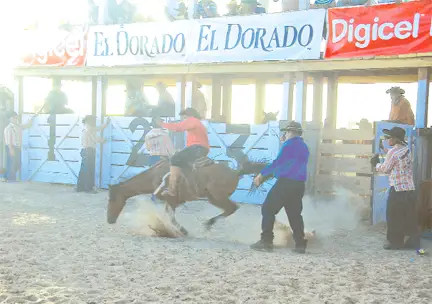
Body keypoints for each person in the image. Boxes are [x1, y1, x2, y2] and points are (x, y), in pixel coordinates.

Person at [251, 121, 309, 253]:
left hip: (285, 183)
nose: (285, 134)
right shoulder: (304, 147)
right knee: (295, 215)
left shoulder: (288, 145)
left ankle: (266, 240)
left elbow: (278, 162)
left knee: (268, 209)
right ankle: (300, 243)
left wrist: (262, 174)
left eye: (286, 132)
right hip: (299, 185)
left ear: (290, 132)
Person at [371, 127, 420, 250]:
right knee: (409, 216)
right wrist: (385, 149)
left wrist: (376, 164)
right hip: (409, 189)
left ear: (395, 139)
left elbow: (386, 168)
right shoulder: (407, 150)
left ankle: (395, 243)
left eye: (389, 137)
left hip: (397, 190)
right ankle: (413, 242)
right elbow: (397, 157)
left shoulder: (392, 153)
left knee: (394, 217)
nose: (387, 139)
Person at [156, 108, 209, 199]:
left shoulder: (192, 120)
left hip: (197, 148)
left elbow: (178, 128)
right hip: (200, 148)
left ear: (189, 115)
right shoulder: (198, 123)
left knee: (174, 159)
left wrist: (162, 124)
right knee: (183, 163)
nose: (184, 120)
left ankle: (172, 189)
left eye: (184, 117)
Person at [77, 115, 109, 193]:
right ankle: (88, 188)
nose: (94, 122)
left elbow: (97, 129)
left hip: (85, 150)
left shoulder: (86, 128)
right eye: (93, 120)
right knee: (89, 170)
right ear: (89, 121)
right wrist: (103, 140)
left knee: (84, 170)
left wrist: (105, 125)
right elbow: (96, 138)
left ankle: (80, 187)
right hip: (89, 151)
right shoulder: (89, 129)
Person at [3, 111, 34, 182]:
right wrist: (11, 149)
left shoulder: (18, 126)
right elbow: (8, 140)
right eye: (13, 117)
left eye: (16, 117)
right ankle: (9, 178)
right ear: (9, 119)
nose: (15, 118)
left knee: (17, 163)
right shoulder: (8, 128)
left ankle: (6, 177)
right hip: (11, 147)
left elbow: (26, 125)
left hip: (17, 147)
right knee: (11, 163)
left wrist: (31, 120)